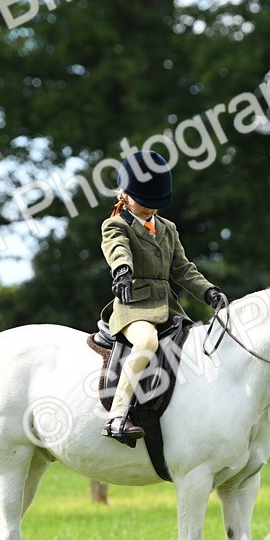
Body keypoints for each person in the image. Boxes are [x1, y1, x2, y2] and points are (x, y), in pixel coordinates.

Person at [100, 150, 228, 444]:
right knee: (146, 341)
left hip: (167, 308)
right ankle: (117, 415)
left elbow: (183, 269)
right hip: (133, 307)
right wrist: (122, 270)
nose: (149, 209)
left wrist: (208, 291)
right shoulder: (116, 224)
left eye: (155, 205)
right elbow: (117, 248)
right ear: (124, 194)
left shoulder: (168, 228)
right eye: (144, 203)